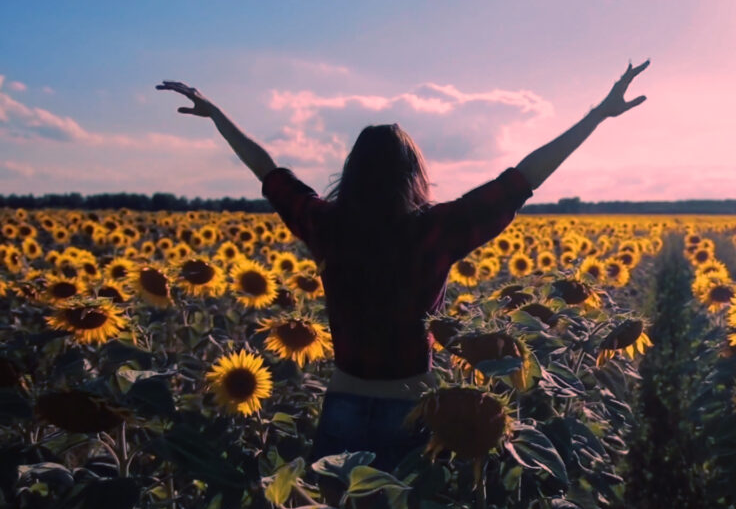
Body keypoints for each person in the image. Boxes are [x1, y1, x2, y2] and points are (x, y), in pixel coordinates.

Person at [156, 59, 649, 471]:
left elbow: (269, 173)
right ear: (414, 174)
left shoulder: (326, 225)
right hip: (412, 407)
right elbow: (522, 179)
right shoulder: (436, 230)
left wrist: (218, 115)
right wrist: (598, 115)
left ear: (352, 172)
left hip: (344, 402)